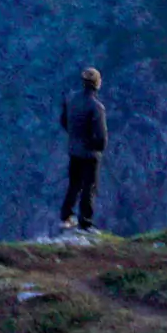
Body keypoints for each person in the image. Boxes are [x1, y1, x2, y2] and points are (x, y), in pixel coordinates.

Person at [58, 67, 107, 231]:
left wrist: (74, 137)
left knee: (74, 185)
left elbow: (64, 121)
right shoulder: (96, 107)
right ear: (97, 84)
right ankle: (85, 222)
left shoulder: (70, 99)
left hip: (74, 150)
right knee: (89, 187)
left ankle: (66, 216)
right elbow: (101, 137)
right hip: (90, 154)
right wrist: (97, 148)